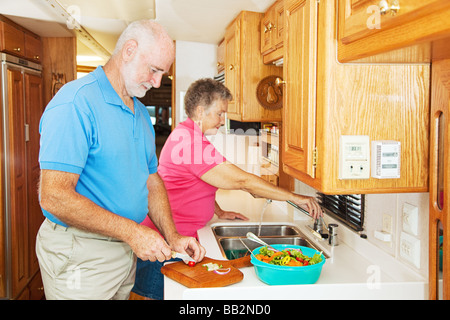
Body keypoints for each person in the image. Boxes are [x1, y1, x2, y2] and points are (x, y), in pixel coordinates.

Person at [36, 20, 205, 300]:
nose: (157, 82)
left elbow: (151, 180)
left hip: (124, 249)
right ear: (128, 50)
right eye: (154, 70)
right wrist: (133, 232)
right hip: (81, 254)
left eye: (162, 73)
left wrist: (172, 236)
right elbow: (53, 196)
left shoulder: (140, 113)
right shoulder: (75, 103)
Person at [131, 78, 323, 299]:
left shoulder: (187, 134)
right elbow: (244, 182)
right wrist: (295, 198)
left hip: (173, 239)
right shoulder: (191, 144)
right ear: (201, 111)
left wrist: (219, 211)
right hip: (168, 244)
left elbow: (196, 182)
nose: (223, 120)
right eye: (220, 113)